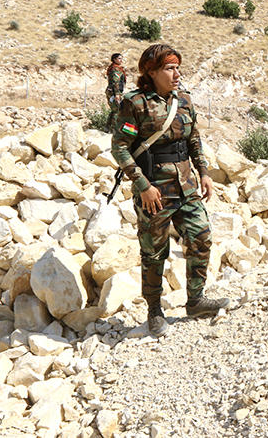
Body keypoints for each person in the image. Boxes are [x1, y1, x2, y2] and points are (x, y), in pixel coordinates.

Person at [111, 44, 228, 337]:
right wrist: (143, 186)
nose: (176, 74)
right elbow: (120, 147)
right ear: (150, 71)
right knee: (154, 253)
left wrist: (205, 173)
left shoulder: (184, 101)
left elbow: (194, 140)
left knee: (201, 237)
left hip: (187, 186)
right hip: (155, 191)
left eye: (178, 67)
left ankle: (196, 299)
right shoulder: (135, 104)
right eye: (169, 68)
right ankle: (154, 311)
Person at [105, 53, 127, 131]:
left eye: (121, 58)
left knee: (114, 110)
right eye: (119, 58)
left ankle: (107, 128)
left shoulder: (113, 68)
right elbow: (116, 82)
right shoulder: (116, 69)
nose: (121, 60)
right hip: (114, 92)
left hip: (112, 91)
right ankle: (114, 130)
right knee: (118, 111)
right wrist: (117, 94)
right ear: (114, 59)